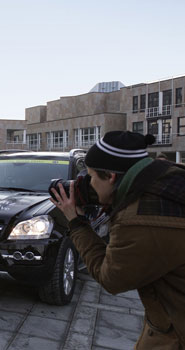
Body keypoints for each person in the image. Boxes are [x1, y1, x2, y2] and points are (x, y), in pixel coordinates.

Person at [51, 131, 185, 349]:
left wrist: (76, 222)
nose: (89, 183)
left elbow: (111, 277)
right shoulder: (168, 179)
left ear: (111, 176)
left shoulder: (138, 220)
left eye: (92, 176)